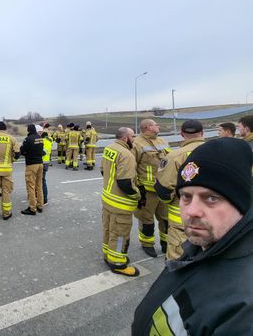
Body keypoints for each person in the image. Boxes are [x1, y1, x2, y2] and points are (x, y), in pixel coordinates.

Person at [132, 138, 253, 335]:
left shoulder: (244, 309)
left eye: (211, 198)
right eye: (186, 196)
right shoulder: (198, 247)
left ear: (242, 204)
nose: (192, 211)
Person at [155, 120, 205, 260]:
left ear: (182, 134)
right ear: (202, 133)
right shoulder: (219, 152)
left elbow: (164, 189)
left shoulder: (175, 156)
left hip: (182, 219)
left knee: (179, 259)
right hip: (213, 217)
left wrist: (168, 201)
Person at [100, 127, 141, 276]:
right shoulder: (126, 155)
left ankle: (108, 255)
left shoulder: (109, 148)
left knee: (108, 229)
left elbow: (103, 170)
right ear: (125, 138)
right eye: (133, 136)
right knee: (119, 234)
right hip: (120, 203)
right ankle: (117, 263)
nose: (134, 139)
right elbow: (125, 183)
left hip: (108, 199)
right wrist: (138, 195)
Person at [132, 119, 171, 257]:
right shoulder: (137, 144)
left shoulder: (162, 141)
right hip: (147, 191)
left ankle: (166, 244)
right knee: (146, 220)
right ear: (148, 127)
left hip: (163, 188)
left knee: (166, 219)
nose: (158, 126)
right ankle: (147, 244)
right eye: (155, 125)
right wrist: (137, 187)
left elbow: (170, 160)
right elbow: (132, 167)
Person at [20, 124, 45, 215]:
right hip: (40, 164)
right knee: (39, 185)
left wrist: (26, 153)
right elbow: (42, 151)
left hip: (31, 164)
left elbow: (22, 151)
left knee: (31, 186)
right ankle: (40, 206)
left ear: (28, 130)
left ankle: (32, 208)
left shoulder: (28, 139)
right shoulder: (40, 138)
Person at [41, 131, 53, 205]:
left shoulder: (42, 141)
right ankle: (44, 198)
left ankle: (43, 199)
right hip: (46, 163)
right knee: (43, 180)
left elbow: (42, 152)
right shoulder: (50, 141)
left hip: (41, 162)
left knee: (40, 181)